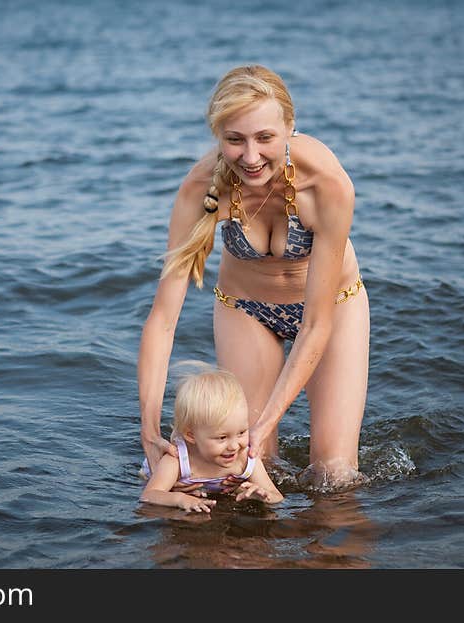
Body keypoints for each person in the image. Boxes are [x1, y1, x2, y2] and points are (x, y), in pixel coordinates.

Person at [138, 64, 370, 492]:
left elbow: (316, 325)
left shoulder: (327, 185)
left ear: (289, 128)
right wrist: (149, 432)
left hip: (331, 310)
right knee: (248, 466)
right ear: (217, 136)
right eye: (234, 140)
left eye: (264, 138)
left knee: (333, 474)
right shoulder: (199, 189)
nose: (250, 156)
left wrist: (265, 422)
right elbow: (163, 320)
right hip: (245, 310)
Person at [140, 365, 283, 512]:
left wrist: (263, 496)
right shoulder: (178, 460)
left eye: (241, 432)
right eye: (222, 437)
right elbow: (149, 495)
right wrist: (180, 499)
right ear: (191, 435)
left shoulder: (245, 458)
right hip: (157, 474)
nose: (234, 446)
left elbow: (277, 496)